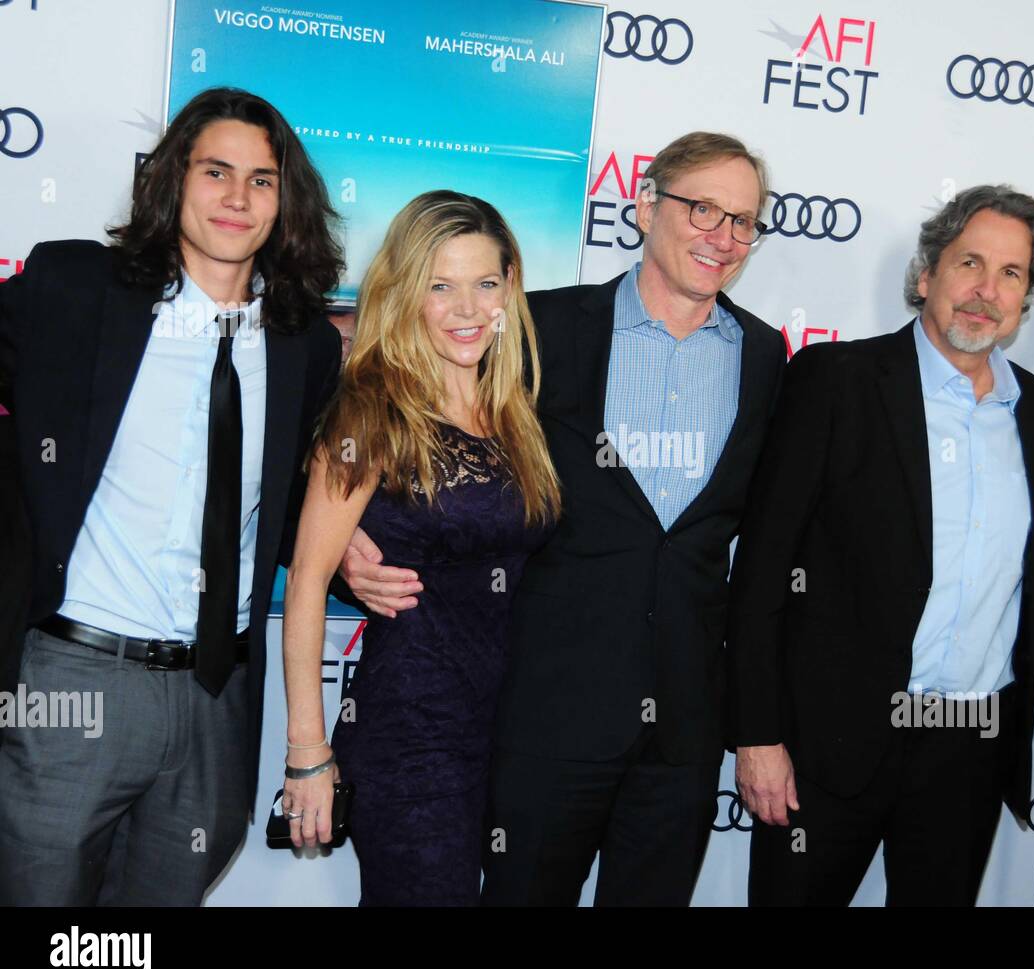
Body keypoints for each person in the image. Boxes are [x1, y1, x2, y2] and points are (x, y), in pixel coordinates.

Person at [342, 131, 786, 905]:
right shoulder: (536, 329)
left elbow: (765, 545)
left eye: (743, 220)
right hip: (544, 715)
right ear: (646, 206)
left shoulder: (765, 353)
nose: (723, 237)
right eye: (703, 209)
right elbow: (384, 388)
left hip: (682, 734)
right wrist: (340, 537)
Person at [0, 87, 344, 905]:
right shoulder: (75, 289)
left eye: (262, 180)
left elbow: (286, 501)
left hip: (214, 694)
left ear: (285, 202)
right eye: (216, 170)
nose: (237, 197)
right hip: (75, 677)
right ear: (170, 180)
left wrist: (343, 547)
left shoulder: (303, 347)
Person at [727, 185, 1034, 906]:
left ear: (1026, 299)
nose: (985, 291)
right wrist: (758, 736)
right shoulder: (836, 381)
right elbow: (761, 570)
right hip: (825, 748)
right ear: (926, 274)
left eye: (1011, 274)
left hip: (966, 747)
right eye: (970, 262)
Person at [281, 191, 560, 906]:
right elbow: (310, 578)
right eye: (441, 286)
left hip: (511, 726)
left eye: (485, 284)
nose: (467, 308)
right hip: (412, 730)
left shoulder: (515, 413)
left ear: (510, 289)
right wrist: (309, 754)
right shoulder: (371, 411)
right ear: (407, 293)